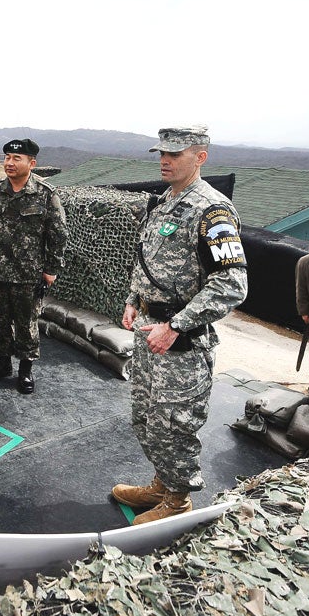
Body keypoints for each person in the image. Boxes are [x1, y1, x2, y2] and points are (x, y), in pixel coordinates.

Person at [112, 125, 248, 525]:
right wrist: (134, 301)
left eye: (175, 154)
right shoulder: (166, 201)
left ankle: (178, 501)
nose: (165, 161)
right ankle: (162, 483)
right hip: (149, 331)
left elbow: (232, 283)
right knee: (146, 418)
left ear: (200, 157)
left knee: (174, 423)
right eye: (162, 153)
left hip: (182, 341)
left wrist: (176, 325)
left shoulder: (213, 210)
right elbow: (148, 259)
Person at [0, 138, 68, 394]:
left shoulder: (45, 194)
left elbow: (58, 235)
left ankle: (25, 370)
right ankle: (3, 363)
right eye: (7, 157)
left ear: (32, 163)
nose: (9, 162)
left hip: (28, 275)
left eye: (17, 158)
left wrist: (51, 270)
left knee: (26, 324)